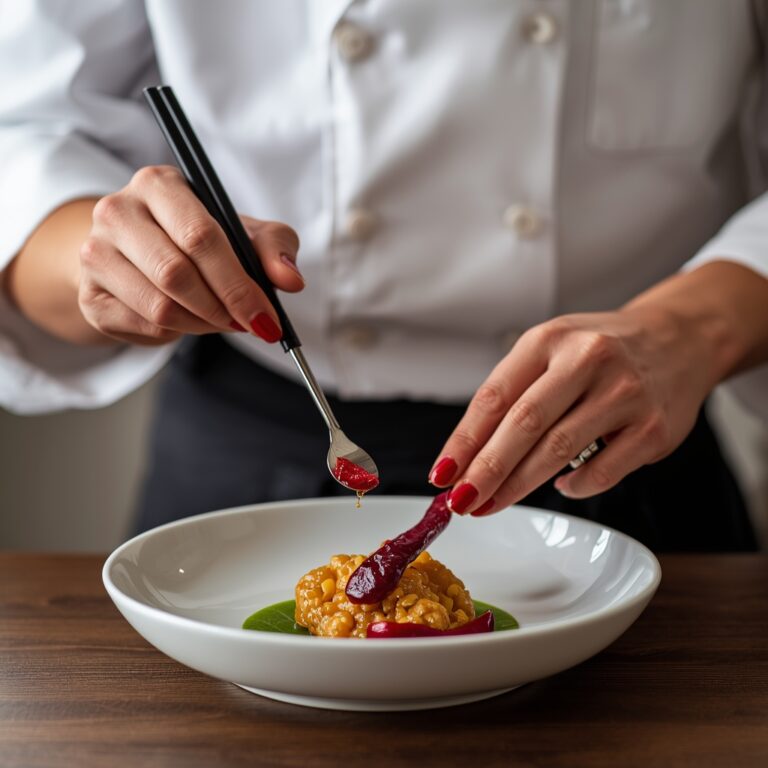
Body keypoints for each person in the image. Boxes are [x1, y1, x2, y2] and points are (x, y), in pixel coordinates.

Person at [1, 1, 767, 551]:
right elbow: (25, 132)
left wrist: (692, 328)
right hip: (246, 464)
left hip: (620, 458)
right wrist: (110, 262)